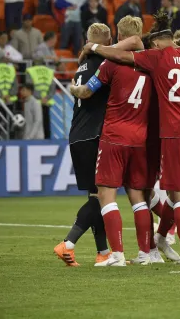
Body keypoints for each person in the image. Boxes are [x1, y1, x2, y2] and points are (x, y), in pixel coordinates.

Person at [79, 12, 180, 265]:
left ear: (157, 44)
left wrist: (93, 46)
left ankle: (177, 253)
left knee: (171, 195)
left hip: (167, 134)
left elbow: (122, 54)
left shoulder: (157, 58)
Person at [67, 18, 158, 267]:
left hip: (114, 136)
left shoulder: (110, 64)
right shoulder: (152, 62)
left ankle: (115, 255)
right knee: (139, 197)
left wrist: (74, 88)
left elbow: (86, 92)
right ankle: (146, 253)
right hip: (140, 138)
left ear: (118, 37)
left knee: (105, 195)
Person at [53, 23, 113, 267]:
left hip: (77, 135)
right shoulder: (104, 63)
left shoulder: (83, 64)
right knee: (101, 197)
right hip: (94, 135)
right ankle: (67, 243)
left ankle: (103, 253)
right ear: (107, 41)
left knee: (95, 196)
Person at [25, 58, 57, 139]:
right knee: (46, 122)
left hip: (35, 101)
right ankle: (47, 140)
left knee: (34, 122)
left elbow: (29, 87)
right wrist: (46, 98)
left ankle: (33, 139)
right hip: (46, 101)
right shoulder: (49, 71)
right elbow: (53, 87)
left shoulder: (31, 70)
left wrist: (38, 97)